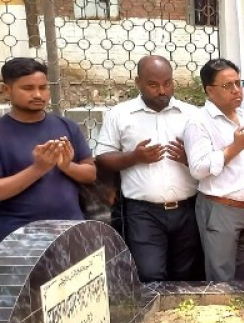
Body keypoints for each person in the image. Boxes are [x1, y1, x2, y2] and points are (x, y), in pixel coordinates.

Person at [96, 55, 204, 282]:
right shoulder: (120, 114)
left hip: (189, 210)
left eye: (167, 83)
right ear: (138, 83)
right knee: (149, 273)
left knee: (187, 274)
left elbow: (207, 157)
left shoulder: (192, 114)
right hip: (143, 212)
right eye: (153, 85)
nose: (162, 90)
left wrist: (188, 158)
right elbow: (103, 158)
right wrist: (134, 157)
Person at [184, 58, 244, 281]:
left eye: (239, 84)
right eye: (228, 86)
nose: (236, 91)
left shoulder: (243, 116)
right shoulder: (198, 122)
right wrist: (237, 146)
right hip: (221, 209)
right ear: (209, 91)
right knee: (222, 278)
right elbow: (199, 168)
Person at [0, 57, 96, 240]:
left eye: (43, 88)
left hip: (71, 231)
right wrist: (38, 169)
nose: (38, 95)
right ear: (6, 90)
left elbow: (90, 174)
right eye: (28, 88)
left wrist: (68, 166)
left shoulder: (67, 126)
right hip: (19, 238)